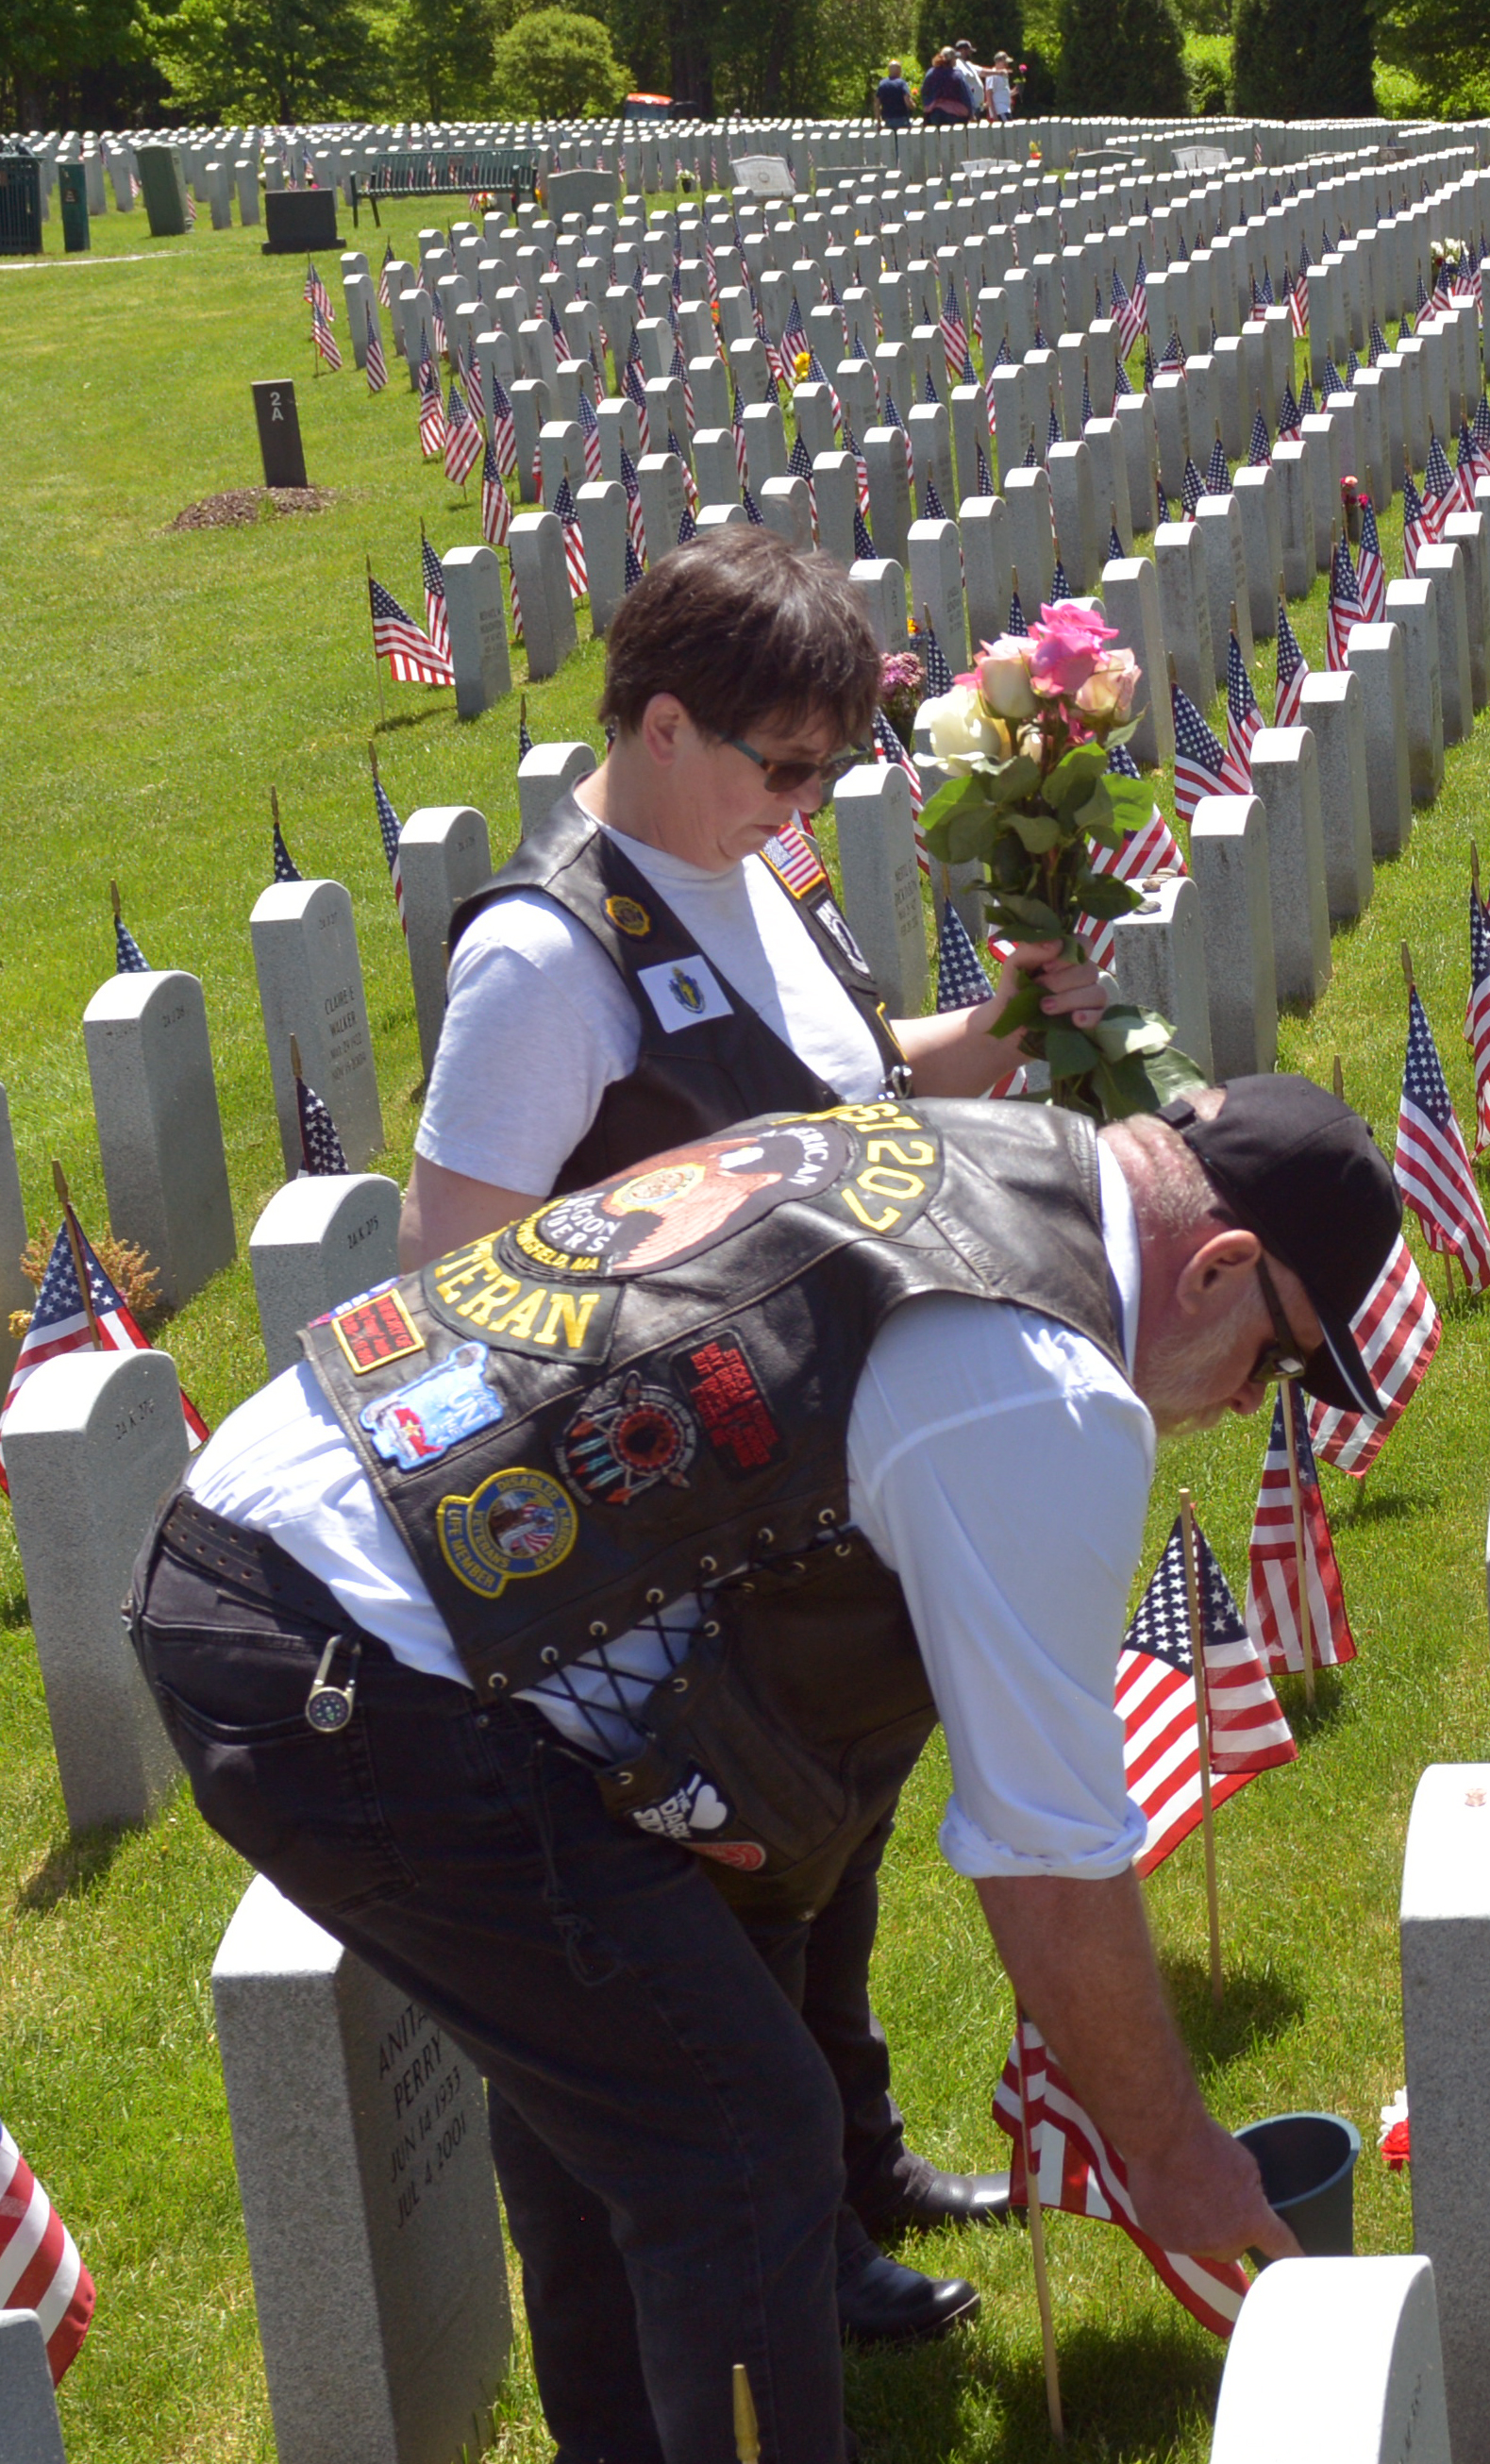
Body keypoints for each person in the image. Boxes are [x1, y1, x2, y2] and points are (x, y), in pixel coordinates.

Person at [131, 1073, 1399, 2464]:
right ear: (1214, 1267)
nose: (1247, 1408)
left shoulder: (977, 1150)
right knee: (741, 2127)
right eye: (1273, 1359)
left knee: (635, 2027)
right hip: (351, 1653)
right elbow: (1046, 1856)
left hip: (289, 1535)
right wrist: (1169, 2148)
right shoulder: (1043, 1392)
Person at [393, 526, 1099, 2357]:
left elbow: (856, 1086)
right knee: (734, 1897)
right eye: (785, 765)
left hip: (813, 1491)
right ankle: (780, 2263)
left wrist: (1010, 1018)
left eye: (828, 772)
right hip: (659, 1531)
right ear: (660, 721)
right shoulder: (547, 964)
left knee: (832, 1850)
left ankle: (856, 2168)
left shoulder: (754, 872)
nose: (806, 802)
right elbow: (445, 1273)